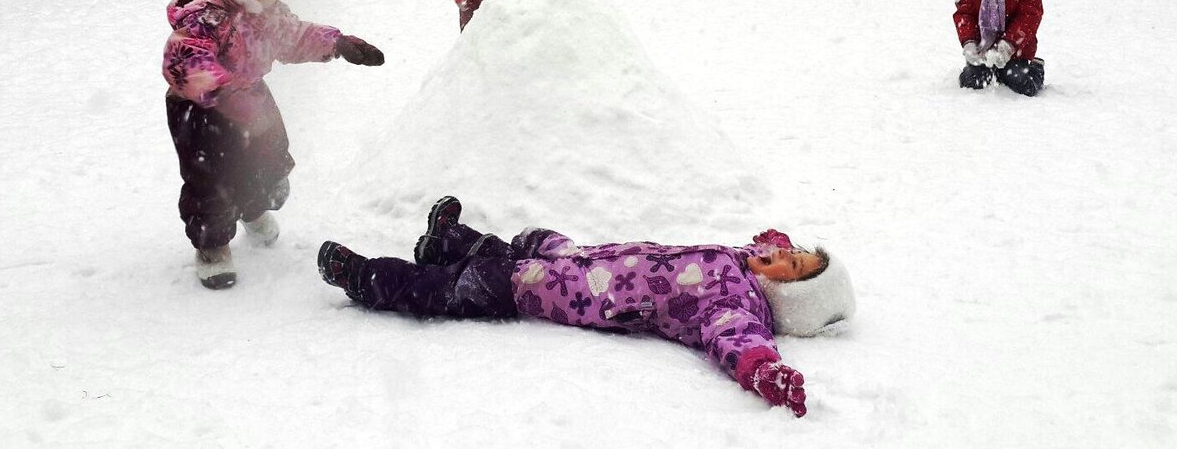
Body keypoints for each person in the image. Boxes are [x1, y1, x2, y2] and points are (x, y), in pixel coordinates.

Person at [317, 196, 856, 417]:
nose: (782, 256)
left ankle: (367, 276)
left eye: (792, 267)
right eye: (795, 252)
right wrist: (780, 242)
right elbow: (769, 241)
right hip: (585, 260)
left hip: (566, 295)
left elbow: (737, 341)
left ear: (786, 298)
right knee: (530, 242)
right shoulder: (750, 259)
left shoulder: (736, 304)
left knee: (470, 285)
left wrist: (765, 371)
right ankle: (446, 241)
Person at [163, 0, 385, 290]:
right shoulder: (206, 14)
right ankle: (212, 246)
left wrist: (337, 43)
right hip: (202, 109)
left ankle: (252, 209)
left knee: (267, 158)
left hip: (250, 97)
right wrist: (217, 88)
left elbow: (294, 36)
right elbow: (183, 59)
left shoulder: (267, 12)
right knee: (212, 179)